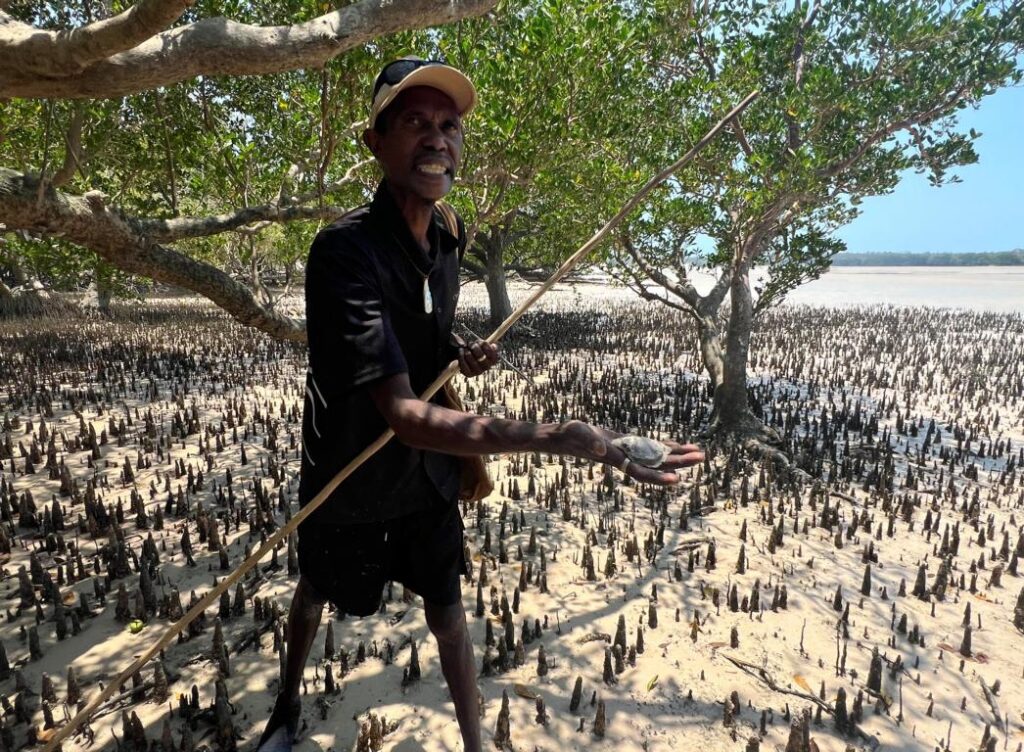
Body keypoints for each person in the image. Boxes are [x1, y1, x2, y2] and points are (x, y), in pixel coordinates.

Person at [257, 57, 704, 752]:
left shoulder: (448, 235)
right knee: (315, 591)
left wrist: (455, 348)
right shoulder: (341, 253)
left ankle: (474, 743)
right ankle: (285, 710)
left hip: (427, 474)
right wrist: (571, 436)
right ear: (373, 142)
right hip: (351, 470)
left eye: (448, 125)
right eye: (414, 123)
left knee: (449, 613)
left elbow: (424, 322)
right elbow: (402, 415)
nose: (437, 139)